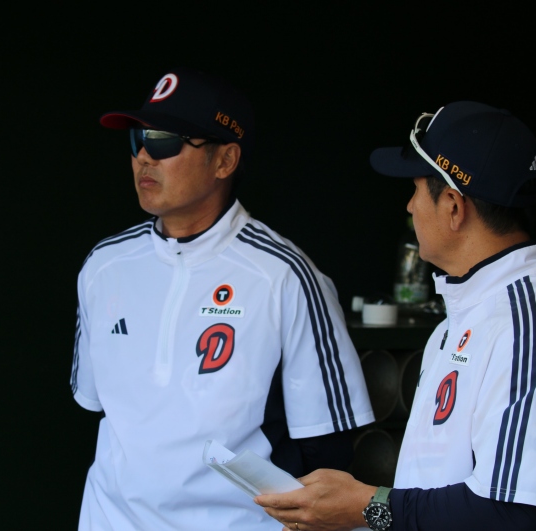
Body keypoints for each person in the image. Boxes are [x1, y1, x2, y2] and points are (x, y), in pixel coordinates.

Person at [255, 101, 536, 531]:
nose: (409, 206)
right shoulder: (462, 317)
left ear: (454, 206)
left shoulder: (532, 330)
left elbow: (510, 513)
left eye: (417, 189)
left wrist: (366, 507)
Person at [69, 67, 374, 531]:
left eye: (165, 141)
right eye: (137, 139)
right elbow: (95, 406)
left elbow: (326, 450)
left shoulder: (284, 275)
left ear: (225, 160)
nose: (144, 155)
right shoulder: (104, 265)